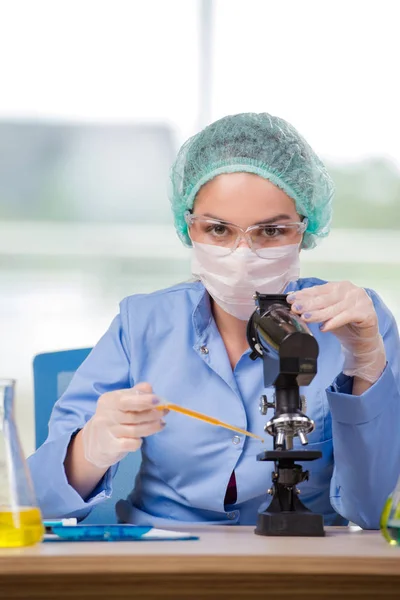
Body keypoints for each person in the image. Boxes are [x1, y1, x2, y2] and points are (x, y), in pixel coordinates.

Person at [28, 112, 400, 528]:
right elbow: (36, 500)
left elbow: (378, 514)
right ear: (188, 227)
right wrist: (90, 448)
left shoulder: (355, 324)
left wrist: (366, 365)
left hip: (301, 562)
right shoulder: (143, 323)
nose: (242, 255)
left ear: (305, 229)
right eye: (219, 229)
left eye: (272, 231)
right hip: (163, 559)